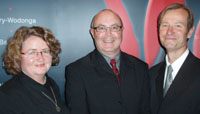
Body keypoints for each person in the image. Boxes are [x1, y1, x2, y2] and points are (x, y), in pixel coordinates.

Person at [65, 9, 150, 114]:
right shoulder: (77, 71)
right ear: (93, 33)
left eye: (114, 28)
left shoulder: (141, 68)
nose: (108, 34)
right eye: (101, 28)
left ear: (122, 31)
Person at [0, 26, 69, 114]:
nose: (40, 58)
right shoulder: (6, 96)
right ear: (17, 56)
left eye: (45, 51)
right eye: (32, 52)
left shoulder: (51, 84)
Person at [149, 3, 200, 114]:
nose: (169, 32)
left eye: (178, 26)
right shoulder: (151, 74)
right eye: (165, 25)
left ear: (190, 32)